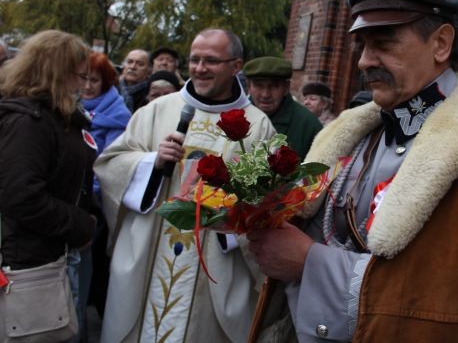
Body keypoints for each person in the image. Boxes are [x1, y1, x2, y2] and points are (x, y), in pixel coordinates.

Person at [246, 0, 458, 343]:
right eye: (361, 46)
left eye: (383, 42)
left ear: (441, 43)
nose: (365, 61)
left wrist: (310, 264)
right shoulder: (348, 133)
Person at [94, 28, 275, 343]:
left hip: (215, 265)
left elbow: (270, 199)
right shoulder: (156, 110)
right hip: (149, 255)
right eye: (195, 59)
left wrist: (230, 195)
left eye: (211, 61)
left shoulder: (257, 126)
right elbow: (110, 165)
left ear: (236, 66)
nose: (200, 68)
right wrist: (151, 163)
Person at [0, 30, 97, 313]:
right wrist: (81, 226)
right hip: (27, 264)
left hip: (45, 255)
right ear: (57, 73)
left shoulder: (50, 116)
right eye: (81, 76)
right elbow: (21, 196)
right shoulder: (27, 122)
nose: (83, 85)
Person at [80, 51, 131, 319]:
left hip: (98, 202)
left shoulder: (117, 115)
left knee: (97, 269)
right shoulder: (74, 106)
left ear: (106, 82)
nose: (87, 86)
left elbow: (111, 163)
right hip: (77, 198)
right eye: (84, 78)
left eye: (94, 80)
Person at [243, 56, 322, 160]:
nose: (265, 94)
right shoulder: (237, 117)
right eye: (259, 86)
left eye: (274, 86)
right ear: (248, 86)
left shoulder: (309, 125)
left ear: (286, 88)